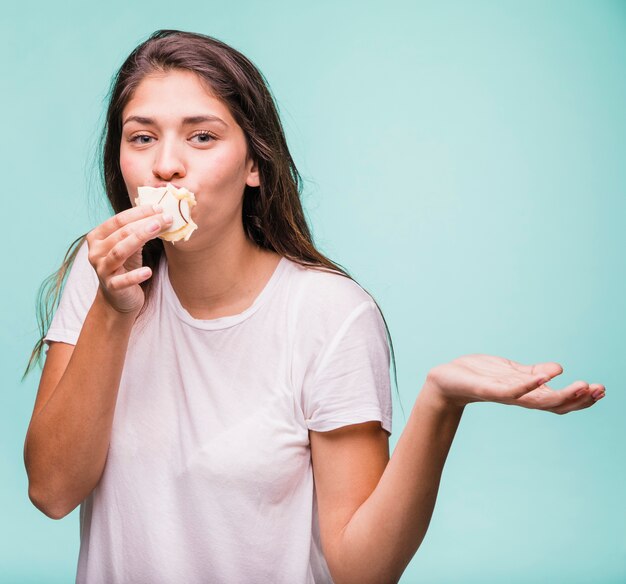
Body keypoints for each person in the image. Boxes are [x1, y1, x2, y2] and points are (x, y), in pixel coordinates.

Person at [23, 30, 605, 584]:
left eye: (202, 136)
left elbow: (361, 571)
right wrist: (111, 309)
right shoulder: (98, 275)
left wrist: (439, 403)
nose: (166, 164)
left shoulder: (330, 316)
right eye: (142, 137)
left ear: (254, 165)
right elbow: (51, 490)